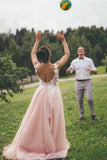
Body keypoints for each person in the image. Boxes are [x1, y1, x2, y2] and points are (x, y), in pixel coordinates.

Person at [3, 31, 70, 160]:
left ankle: (36, 144)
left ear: (40, 57)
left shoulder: (37, 67)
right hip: (53, 95)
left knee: (38, 121)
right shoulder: (56, 67)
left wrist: (37, 40)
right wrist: (63, 40)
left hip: (40, 94)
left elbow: (32, 53)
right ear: (49, 55)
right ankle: (53, 145)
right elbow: (67, 54)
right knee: (54, 121)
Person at [66, 46, 98, 121]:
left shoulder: (89, 60)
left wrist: (91, 70)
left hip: (87, 82)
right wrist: (68, 70)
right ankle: (81, 116)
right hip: (78, 83)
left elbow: (96, 71)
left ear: (84, 52)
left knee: (89, 98)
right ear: (77, 52)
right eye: (79, 50)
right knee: (79, 100)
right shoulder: (74, 61)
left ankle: (93, 114)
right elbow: (69, 73)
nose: (80, 51)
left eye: (82, 50)